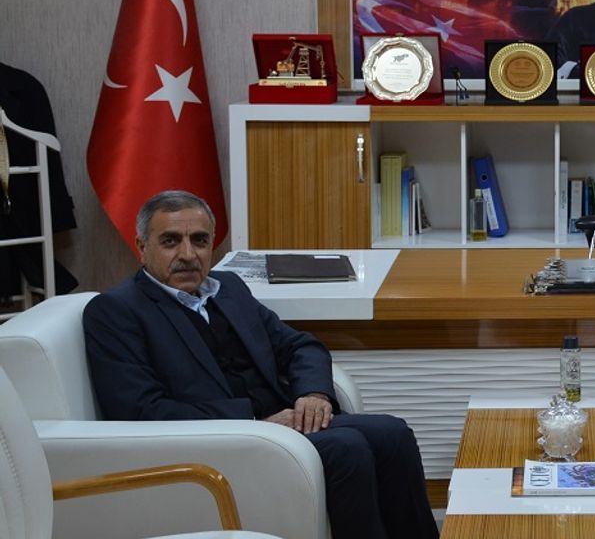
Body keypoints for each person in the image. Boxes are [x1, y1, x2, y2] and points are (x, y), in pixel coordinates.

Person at [83, 190, 439, 539]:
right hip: (223, 440)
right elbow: (141, 410)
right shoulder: (116, 311)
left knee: (393, 433)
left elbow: (299, 345)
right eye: (171, 241)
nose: (188, 254)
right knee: (348, 448)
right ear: (142, 247)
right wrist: (254, 421)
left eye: (200, 240)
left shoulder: (227, 287)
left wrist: (313, 393)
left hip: (285, 420)